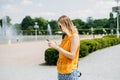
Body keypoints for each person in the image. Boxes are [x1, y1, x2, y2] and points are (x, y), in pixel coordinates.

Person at [48, 15, 80, 80]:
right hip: (61, 71)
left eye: (60, 26)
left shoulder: (74, 36)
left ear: (66, 24)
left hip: (70, 72)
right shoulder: (65, 37)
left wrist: (57, 47)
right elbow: (62, 51)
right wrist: (55, 45)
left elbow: (72, 55)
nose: (59, 28)